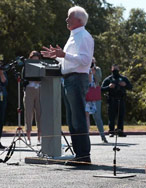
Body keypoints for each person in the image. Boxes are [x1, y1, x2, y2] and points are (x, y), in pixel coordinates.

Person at [41, 6, 94, 165]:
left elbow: (85, 61)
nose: (66, 20)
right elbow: (70, 61)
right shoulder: (74, 36)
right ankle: (79, 154)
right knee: (72, 120)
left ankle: (84, 156)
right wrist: (57, 57)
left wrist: (64, 54)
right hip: (70, 79)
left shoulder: (83, 36)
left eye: (69, 17)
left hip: (77, 79)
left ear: (79, 20)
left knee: (77, 119)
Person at [101, 64, 132, 137]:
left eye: (116, 69)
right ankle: (111, 131)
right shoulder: (108, 79)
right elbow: (101, 89)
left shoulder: (123, 78)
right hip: (111, 100)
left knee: (121, 116)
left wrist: (125, 85)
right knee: (111, 117)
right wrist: (108, 87)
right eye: (114, 69)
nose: (115, 71)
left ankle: (120, 131)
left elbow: (130, 87)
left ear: (119, 70)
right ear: (111, 70)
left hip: (121, 99)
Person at [23, 51, 42, 145]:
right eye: (33, 59)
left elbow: (42, 78)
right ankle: (28, 138)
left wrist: (37, 79)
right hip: (29, 90)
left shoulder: (41, 66)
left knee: (40, 114)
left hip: (39, 90)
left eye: (36, 59)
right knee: (29, 114)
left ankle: (39, 138)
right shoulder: (26, 67)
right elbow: (24, 79)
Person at [89, 57, 107, 143]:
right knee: (85, 116)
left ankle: (103, 136)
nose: (91, 63)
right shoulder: (84, 69)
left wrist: (93, 71)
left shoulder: (97, 69)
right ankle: (84, 136)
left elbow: (99, 79)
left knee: (97, 117)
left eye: (93, 62)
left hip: (95, 94)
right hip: (86, 93)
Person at [0, 69, 8, 149]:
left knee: (1, 120)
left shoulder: (2, 71)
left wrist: (1, 73)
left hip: (2, 97)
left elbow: (5, 83)